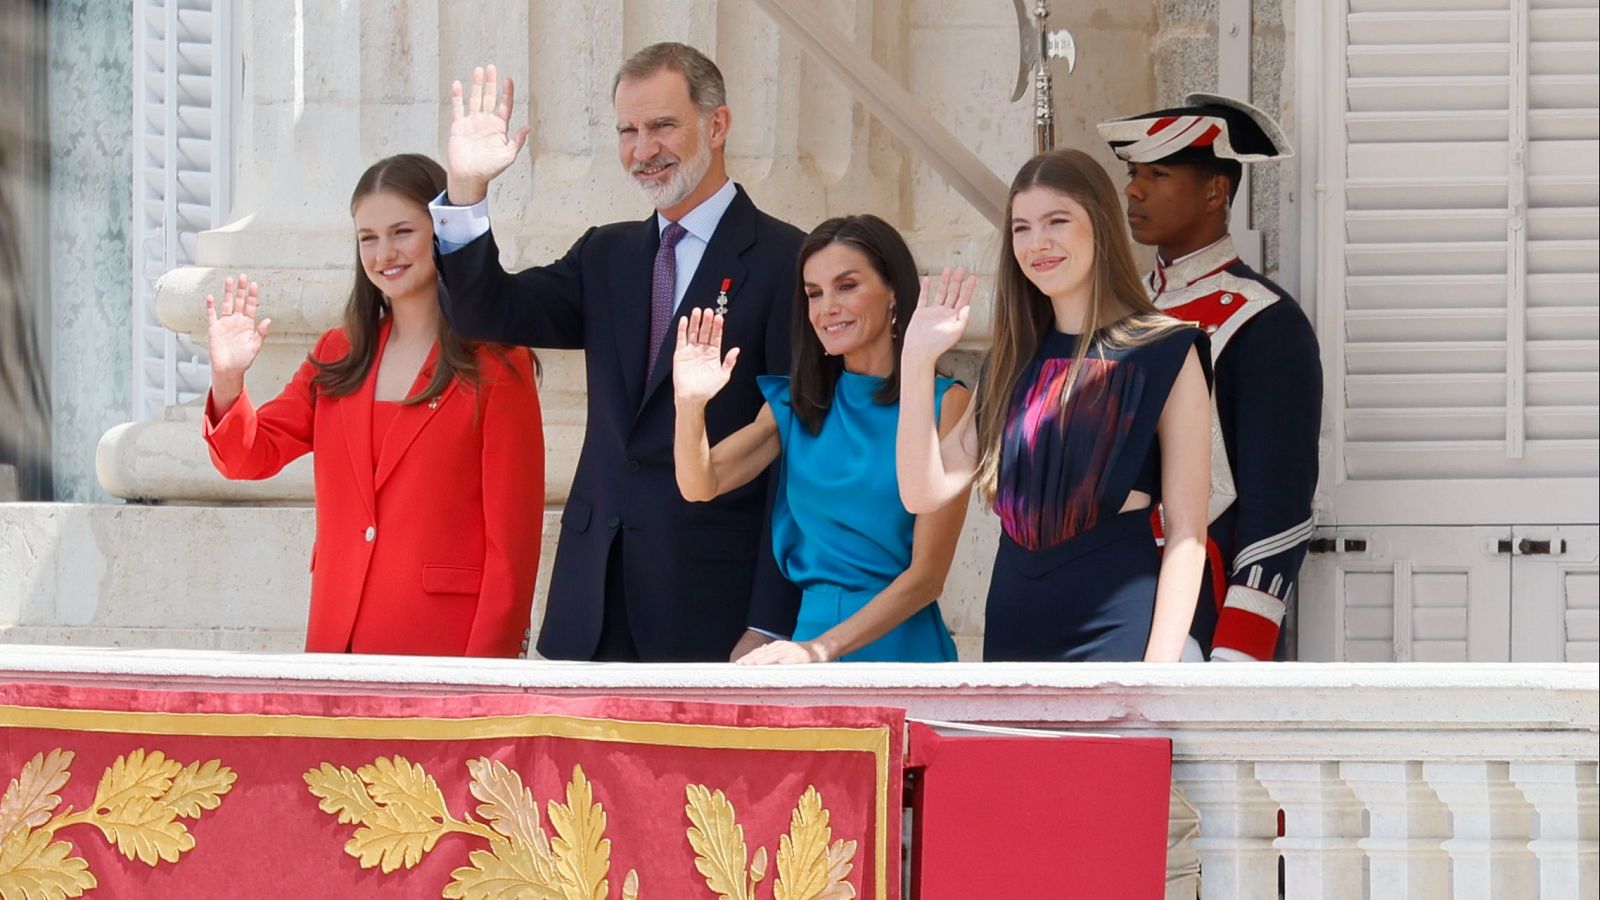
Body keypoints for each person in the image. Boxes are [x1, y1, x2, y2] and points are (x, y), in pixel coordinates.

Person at [430, 44, 804, 662]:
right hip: (592, 600)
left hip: (714, 604)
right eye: (627, 130)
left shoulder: (785, 260)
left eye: (662, 126)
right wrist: (467, 188)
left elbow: (794, 452)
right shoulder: (607, 255)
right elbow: (485, 311)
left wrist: (770, 619)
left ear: (717, 125)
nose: (642, 149)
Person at [203, 153, 543, 657]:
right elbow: (247, 456)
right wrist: (228, 381)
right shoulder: (338, 355)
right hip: (337, 645)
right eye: (368, 237)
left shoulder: (497, 365)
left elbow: (512, 550)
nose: (384, 252)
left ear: (440, 232)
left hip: (447, 654)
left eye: (402, 231)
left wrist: (484, 683)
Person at [897, 149, 1212, 662]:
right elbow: (922, 492)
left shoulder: (1167, 349)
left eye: (1057, 221)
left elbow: (1187, 532)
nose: (1036, 242)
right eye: (1021, 228)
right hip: (1013, 624)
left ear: (1100, 226)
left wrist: (1158, 674)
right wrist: (916, 359)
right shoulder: (1012, 358)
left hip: (1117, 628)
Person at [673, 215, 970, 663]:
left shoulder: (946, 404)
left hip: (897, 650)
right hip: (805, 646)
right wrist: (690, 405)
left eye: (846, 286)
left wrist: (819, 650)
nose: (826, 306)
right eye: (814, 293)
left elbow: (927, 577)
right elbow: (700, 484)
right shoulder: (798, 401)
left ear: (893, 292)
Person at [1099, 94, 1322, 662]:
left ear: (1215, 192)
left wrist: (1238, 650)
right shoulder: (1121, 310)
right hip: (1104, 597)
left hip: (1202, 606)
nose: (1133, 190)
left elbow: (1279, 506)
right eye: (1132, 174)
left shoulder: (1266, 320)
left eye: (1158, 174)